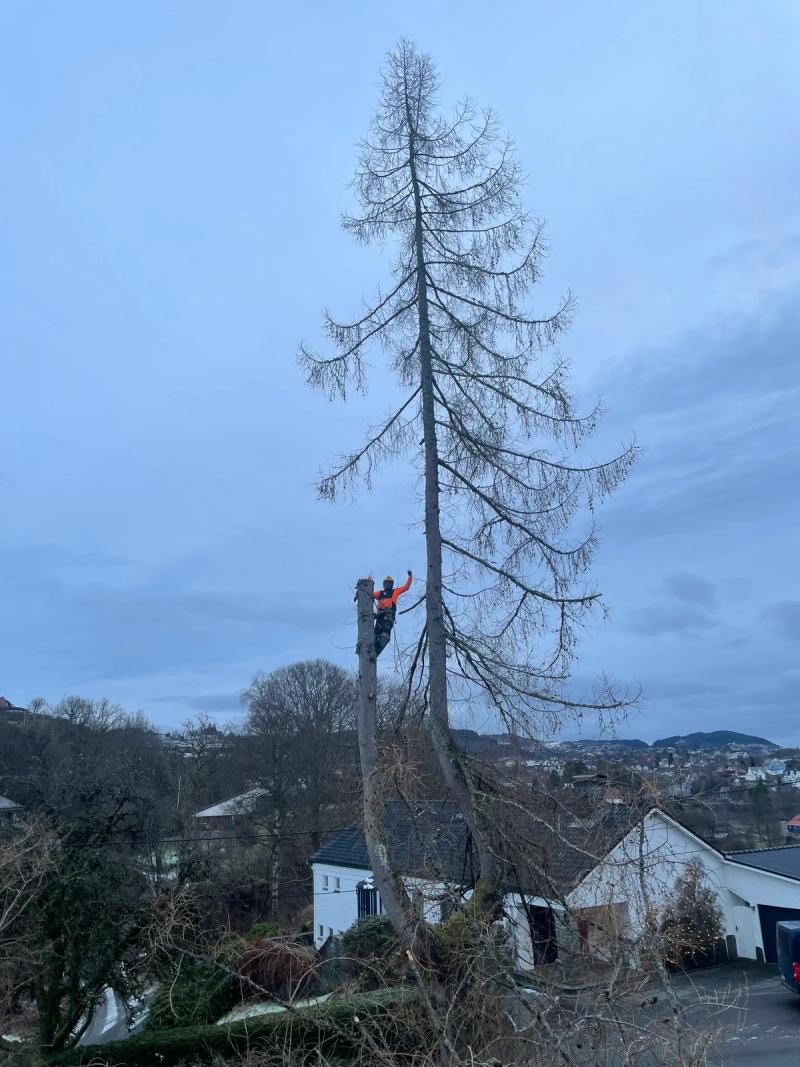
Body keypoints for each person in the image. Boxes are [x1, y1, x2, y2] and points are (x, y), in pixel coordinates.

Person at [374, 571, 412, 656]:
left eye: (389, 583)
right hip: (380, 616)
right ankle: (373, 650)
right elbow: (370, 595)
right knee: (375, 634)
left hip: (389, 615)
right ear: (384, 584)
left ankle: (376, 651)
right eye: (386, 583)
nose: (388, 585)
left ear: (392, 584)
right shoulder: (380, 593)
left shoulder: (395, 591)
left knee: (385, 636)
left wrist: (410, 577)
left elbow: (406, 587)